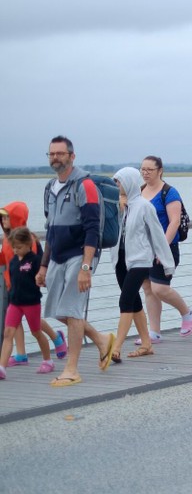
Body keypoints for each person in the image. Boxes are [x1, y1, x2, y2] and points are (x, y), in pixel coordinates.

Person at [36, 135, 115, 387]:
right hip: (57, 256)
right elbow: (50, 230)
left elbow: (93, 228)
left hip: (79, 255)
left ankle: (72, 369)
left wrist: (85, 267)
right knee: (60, 311)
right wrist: (43, 265)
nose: (55, 158)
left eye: (60, 153)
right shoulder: (50, 187)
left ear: (72, 156)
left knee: (71, 309)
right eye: (51, 154)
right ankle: (102, 340)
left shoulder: (85, 185)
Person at [107, 167, 176, 364]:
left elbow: (157, 235)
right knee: (134, 302)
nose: (116, 186)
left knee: (125, 301)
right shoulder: (118, 206)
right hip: (120, 259)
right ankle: (146, 344)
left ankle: (116, 347)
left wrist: (166, 262)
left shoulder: (144, 206)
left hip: (140, 260)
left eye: (118, 182)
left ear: (129, 182)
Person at [138, 156, 192, 344]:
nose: (145, 173)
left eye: (150, 169)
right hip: (143, 249)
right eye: (143, 169)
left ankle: (187, 313)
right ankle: (154, 331)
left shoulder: (169, 192)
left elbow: (175, 222)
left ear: (160, 170)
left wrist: (161, 249)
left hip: (165, 248)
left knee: (160, 288)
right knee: (148, 288)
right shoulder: (140, 191)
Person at [1, 202, 67, 365]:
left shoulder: (29, 240)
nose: (3, 221)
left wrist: (38, 280)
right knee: (15, 323)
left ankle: (56, 338)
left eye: (7, 217)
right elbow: (6, 259)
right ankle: (21, 354)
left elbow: (35, 263)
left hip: (28, 290)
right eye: (2, 218)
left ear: (16, 218)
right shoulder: (7, 240)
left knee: (34, 322)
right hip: (13, 288)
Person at [0, 228, 54, 380]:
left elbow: (43, 279)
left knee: (36, 332)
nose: (16, 250)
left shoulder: (36, 261)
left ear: (28, 244)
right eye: (14, 247)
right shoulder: (13, 262)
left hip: (31, 303)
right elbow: (12, 281)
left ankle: (47, 360)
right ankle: (2, 367)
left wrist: (41, 279)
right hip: (15, 303)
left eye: (19, 247)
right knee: (8, 333)